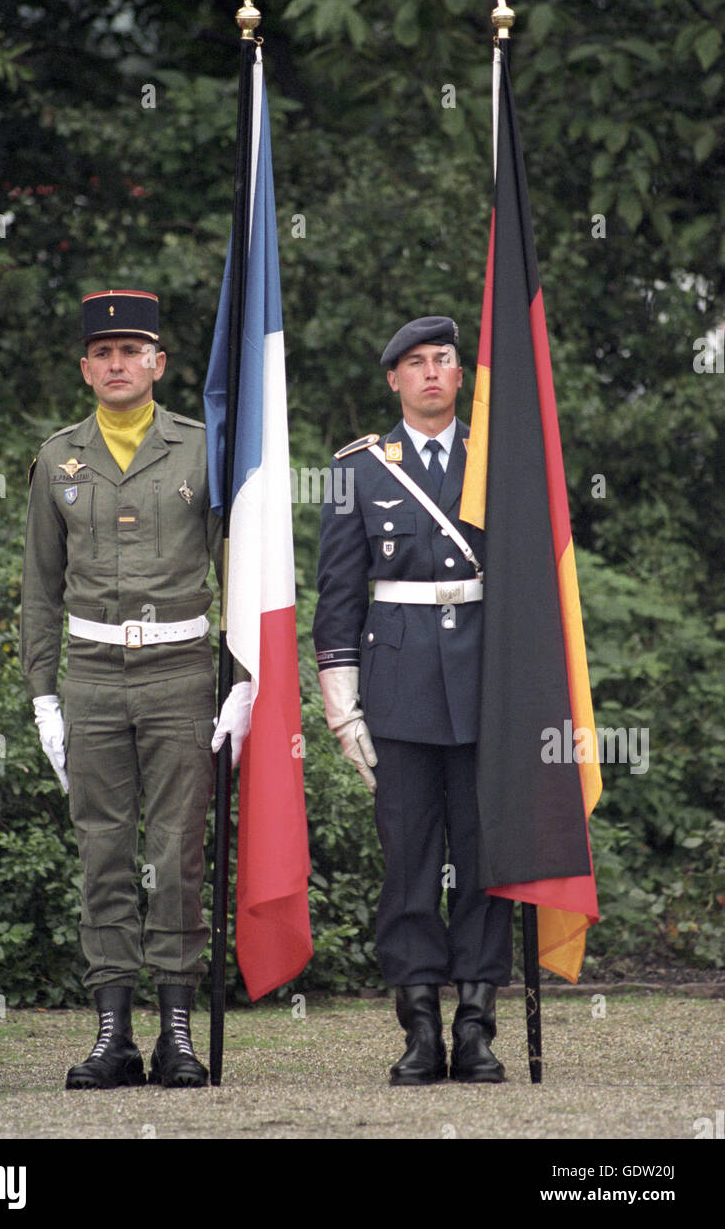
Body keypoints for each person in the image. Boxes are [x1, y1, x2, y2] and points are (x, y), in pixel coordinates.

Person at [20, 288, 250, 1090]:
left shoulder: (205, 448)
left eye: (133, 351)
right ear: (86, 368)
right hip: (90, 678)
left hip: (181, 675)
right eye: (103, 353)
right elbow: (39, 587)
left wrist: (245, 677)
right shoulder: (58, 457)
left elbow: (242, 571)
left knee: (177, 854)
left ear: (160, 363)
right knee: (104, 854)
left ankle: (177, 1033)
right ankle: (113, 1033)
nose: (118, 364)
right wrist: (44, 696)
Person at [313, 315, 513, 1086]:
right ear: (393, 380)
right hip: (396, 693)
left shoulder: (499, 459)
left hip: (486, 691)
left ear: (461, 376)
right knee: (409, 865)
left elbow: (529, 587)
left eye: (445, 361)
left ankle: (477, 1025)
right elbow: (337, 598)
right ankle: (420, 1027)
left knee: (485, 861)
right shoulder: (357, 470)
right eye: (416, 364)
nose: (432, 373)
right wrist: (342, 707)